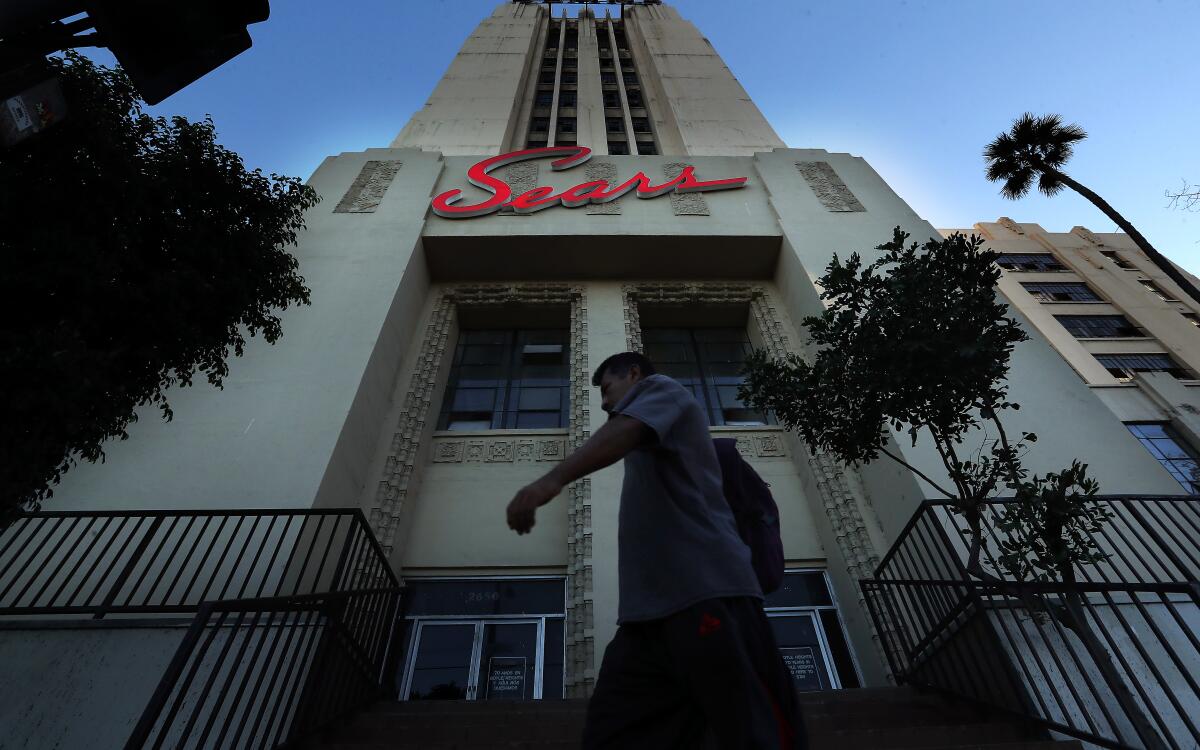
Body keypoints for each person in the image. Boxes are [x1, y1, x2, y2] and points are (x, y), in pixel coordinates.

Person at [505, 351, 803, 749]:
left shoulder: (663, 390)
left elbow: (626, 430)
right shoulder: (648, 442)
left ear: (633, 374)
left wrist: (550, 482)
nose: (605, 403)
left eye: (607, 389)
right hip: (644, 621)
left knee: (754, 732)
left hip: (707, 595)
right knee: (612, 732)